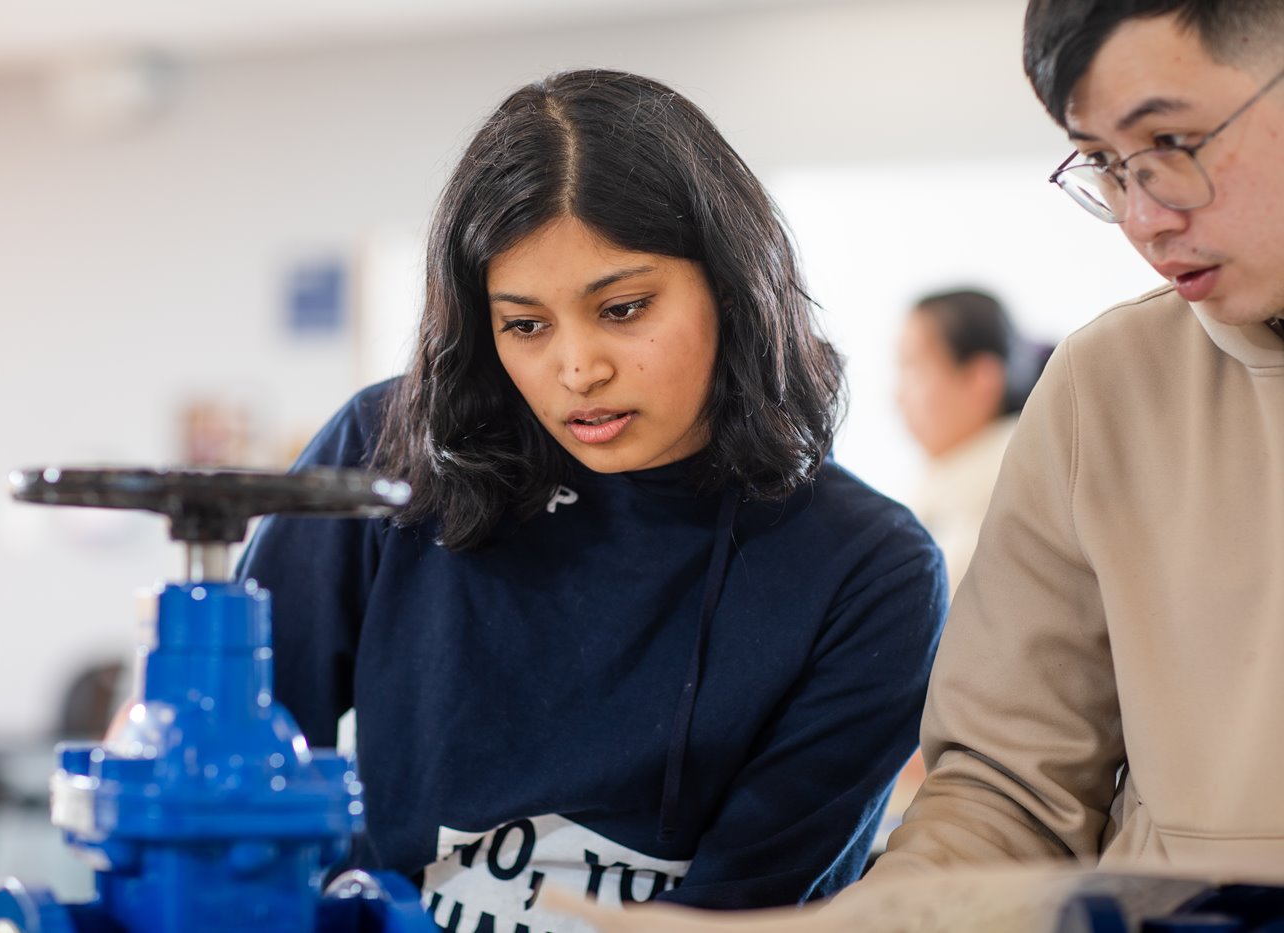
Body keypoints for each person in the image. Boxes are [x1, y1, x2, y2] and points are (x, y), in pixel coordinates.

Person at [549, 0, 1284, 928]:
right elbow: (1007, 789)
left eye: (1173, 140)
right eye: (1104, 163)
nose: (1142, 216)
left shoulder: (867, 554)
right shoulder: (1108, 386)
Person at [236, 69, 945, 931]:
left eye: (624, 307)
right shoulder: (389, 454)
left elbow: (748, 903)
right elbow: (242, 776)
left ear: (733, 289)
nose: (577, 370)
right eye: (525, 325)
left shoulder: (871, 568)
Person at [896, 288, 1051, 596]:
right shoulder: (948, 496)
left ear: (981, 379)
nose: (898, 396)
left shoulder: (1007, 503)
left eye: (914, 368)